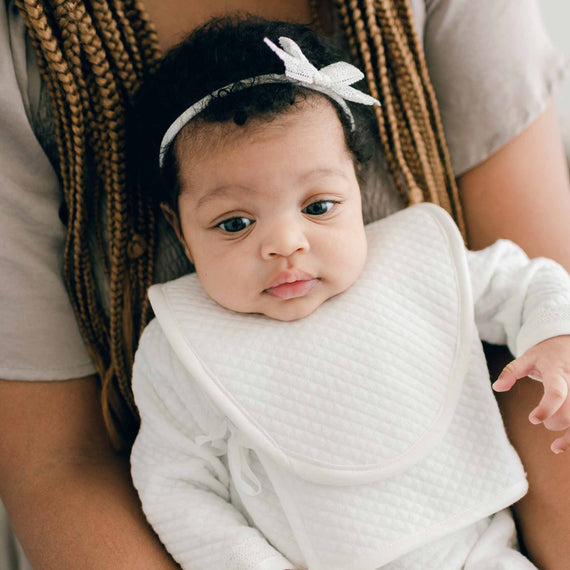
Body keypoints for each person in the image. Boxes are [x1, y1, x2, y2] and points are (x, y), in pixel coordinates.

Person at [1, 1, 570, 569]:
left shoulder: (422, 261)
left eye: (318, 206)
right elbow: (175, 485)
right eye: (235, 223)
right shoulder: (180, 350)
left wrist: (553, 337)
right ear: (179, 228)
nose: (284, 243)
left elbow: (533, 283)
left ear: (358, 182)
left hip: (481, 553)